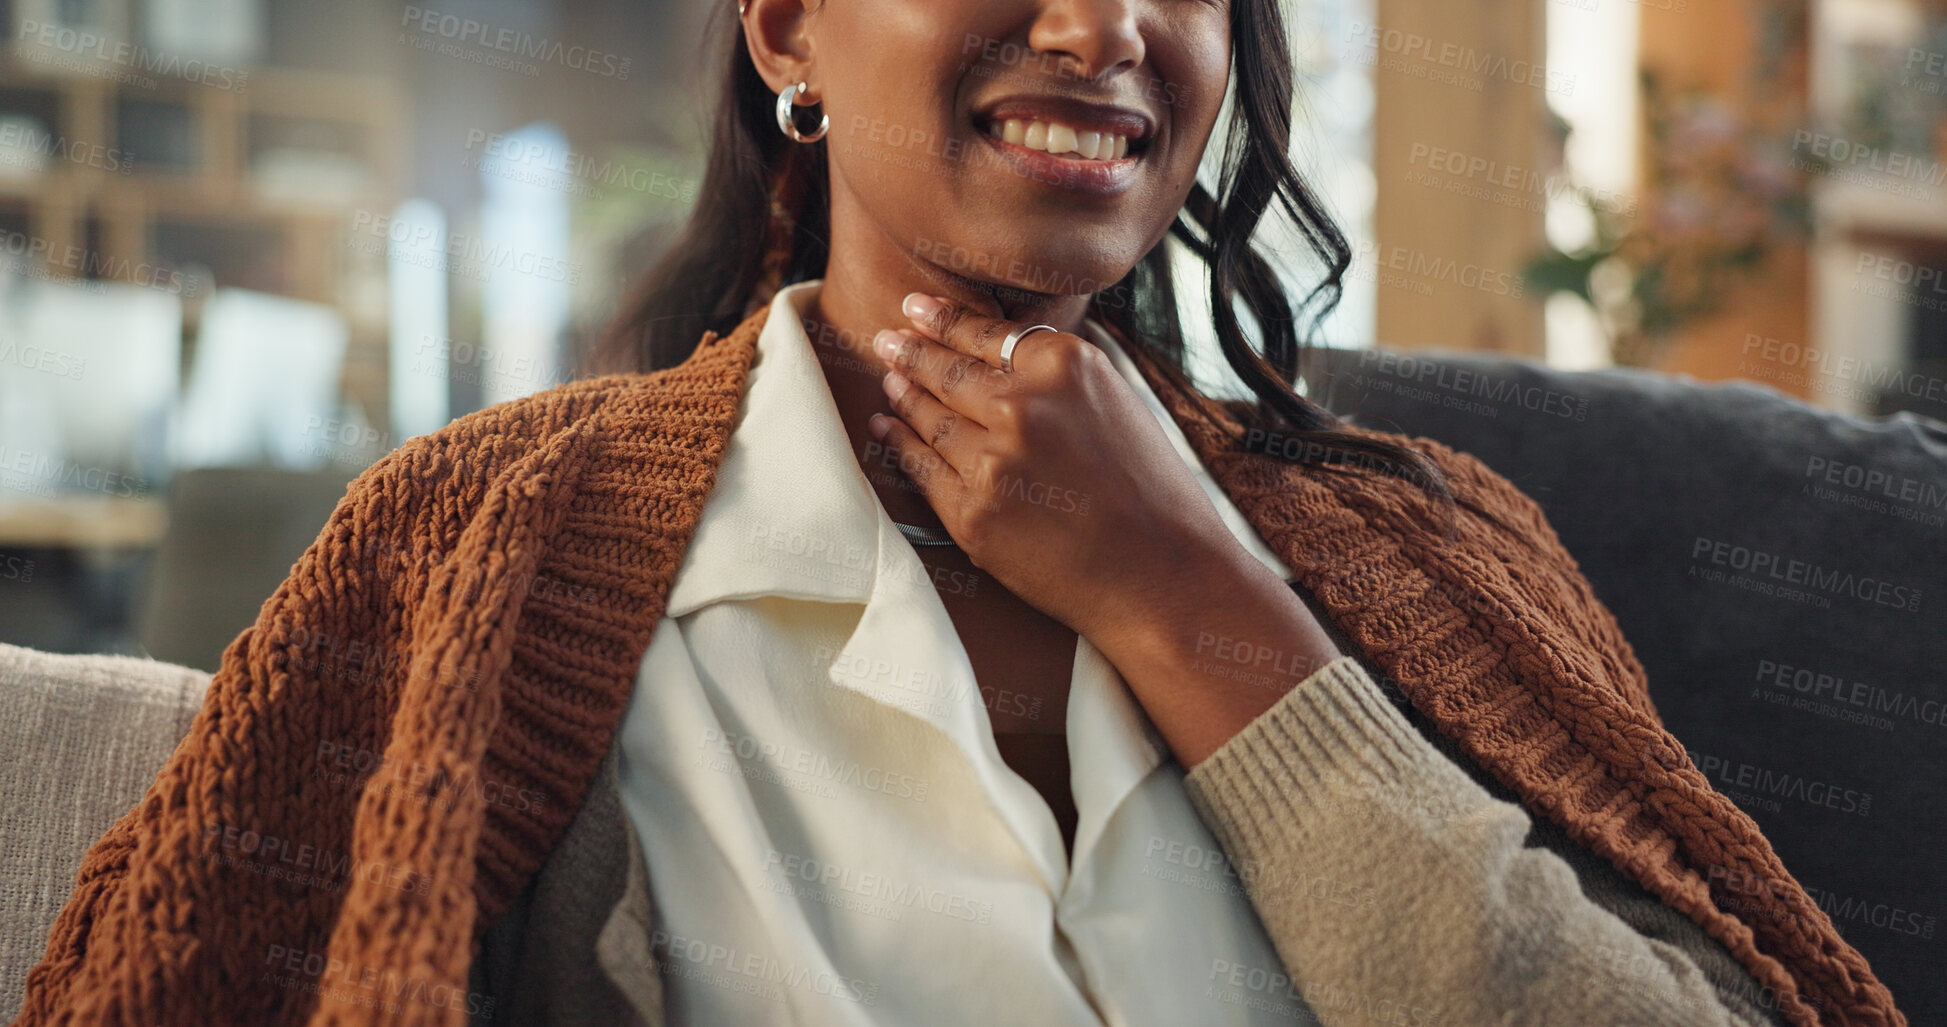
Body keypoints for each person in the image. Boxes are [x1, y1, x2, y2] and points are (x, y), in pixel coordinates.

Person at [16, 1, 1906, 1025]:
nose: (1103, 26)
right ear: (785, 30)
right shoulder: (483, 540)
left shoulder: (1430, 542)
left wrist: (1195, 603)